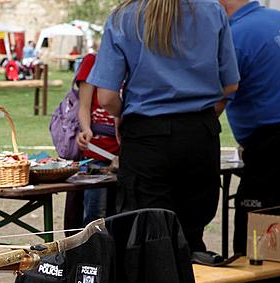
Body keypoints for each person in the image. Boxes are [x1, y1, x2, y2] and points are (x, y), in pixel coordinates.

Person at [87, 0, 240, 253]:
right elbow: (230, 84)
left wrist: (123, 116)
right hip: (199, 135)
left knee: (148, 240)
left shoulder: (125, 17)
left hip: (147, 138)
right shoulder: (212, 10)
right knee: (191, 236)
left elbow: (106, 97)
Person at [218, 0, 280, 283]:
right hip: (274, 141)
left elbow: (216, 95)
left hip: (274, 146)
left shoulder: (235, 35)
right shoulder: (279, 19)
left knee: (256, 240)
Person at [75, 52, 120, 224]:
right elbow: (84, 106)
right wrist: (86, 130)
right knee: (95, 216)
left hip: (127, 153)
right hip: (97, 152)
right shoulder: (92, 61)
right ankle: (93, 250)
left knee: (120, 214)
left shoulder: (133, 59)